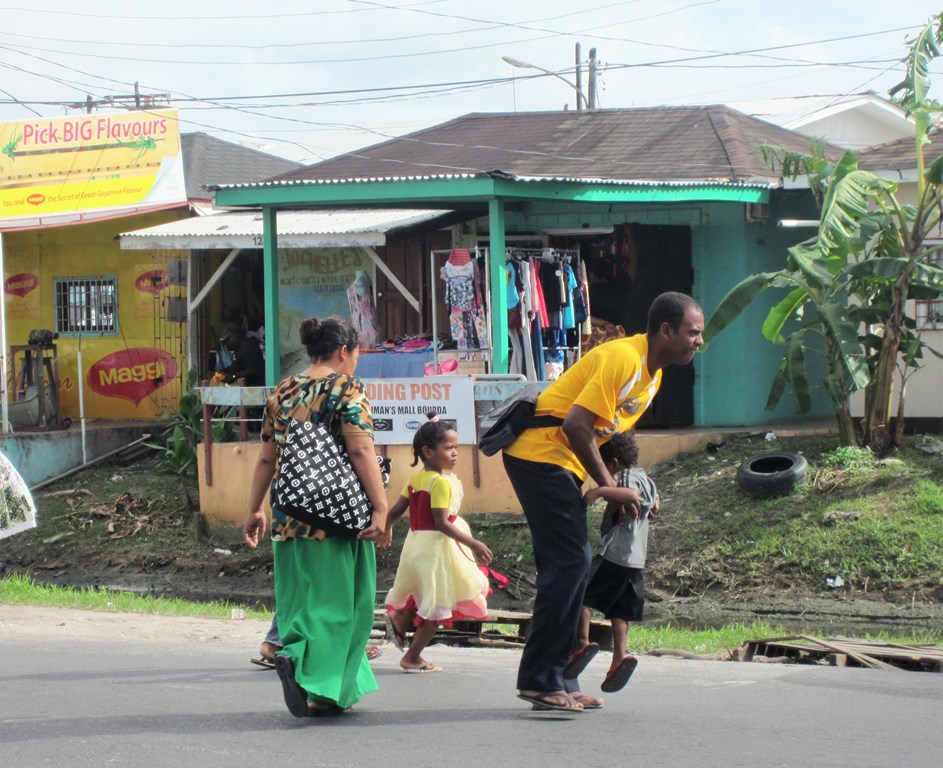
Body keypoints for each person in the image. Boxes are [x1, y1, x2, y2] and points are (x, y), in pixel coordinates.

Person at [502, 291, 703, 713]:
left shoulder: (652, 376)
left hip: (560, 464)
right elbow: (577, 426)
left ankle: (558, 677)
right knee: (571, 564)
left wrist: (627, 484)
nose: (698, 341)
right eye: (693, 332)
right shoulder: (623, 359)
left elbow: (606, 433)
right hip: (539, 454)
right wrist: (610, 485)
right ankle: (541, 680)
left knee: (570, 567)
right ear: (666, 330)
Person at [242, 315, 388, 717]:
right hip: (337, 517)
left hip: (289, 515)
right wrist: (380, 507)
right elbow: (360, 451)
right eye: (356, 353)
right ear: (344, 351)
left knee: (302, 603)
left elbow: (267, 458)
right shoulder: (347, 388)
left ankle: (297, 658)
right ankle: (319, 687)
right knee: (343, 606)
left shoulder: (282, 391)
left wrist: (255, 508)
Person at [381, 413, 493, 673]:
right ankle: (412, 656)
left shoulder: (415, 479)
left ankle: (399, 618)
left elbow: (397, 510)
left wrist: (385, 528)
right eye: (448, 448)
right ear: (428, 452)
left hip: (415, 544)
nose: (455, 453)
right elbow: (442, 522)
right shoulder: (440, 483)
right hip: (437, 549)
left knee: (422, 592)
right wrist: (474, 543)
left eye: (455, 447)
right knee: (437, 605)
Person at [569, 431, 658, 695]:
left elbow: (628, 493)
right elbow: (653, 505)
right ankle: (619, 657)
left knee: (582, 594)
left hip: (614, 553)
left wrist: (597, 491)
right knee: (620, 610)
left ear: (614, 464)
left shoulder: (627, 477)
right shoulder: (649, 480)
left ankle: (582, 643)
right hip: (635, 560)